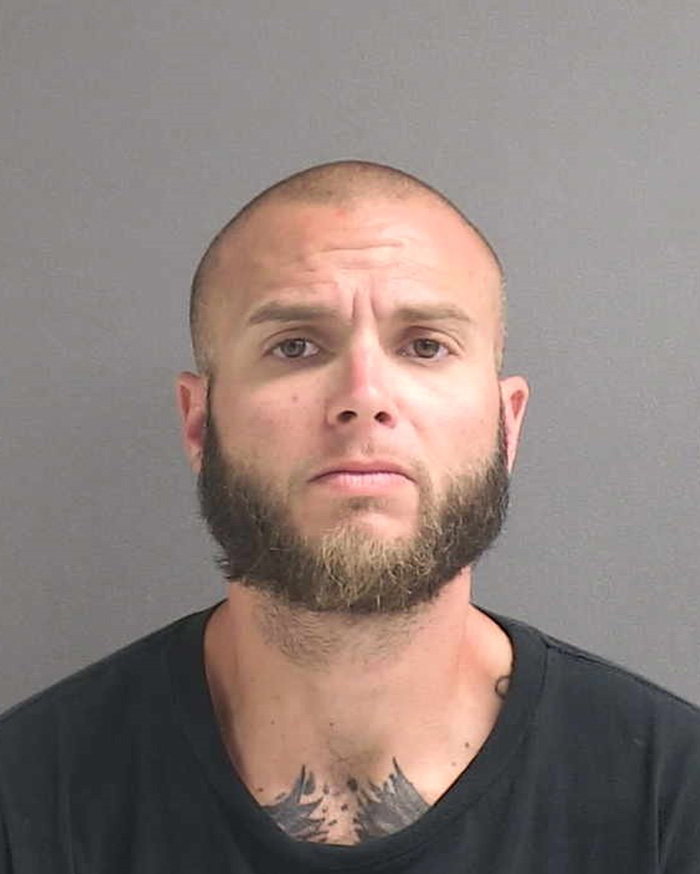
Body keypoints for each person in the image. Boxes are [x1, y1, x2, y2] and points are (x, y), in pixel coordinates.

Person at [1, 160, 698, 873]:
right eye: (296, 345)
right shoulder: (29, 801)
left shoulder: (671, 804)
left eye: (425, 345)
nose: (364, 396)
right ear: (199, 425)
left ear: (506, 424)